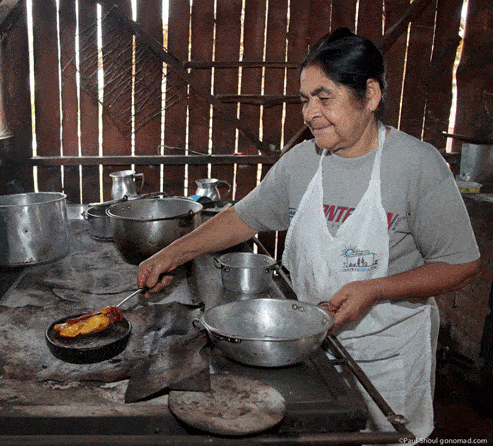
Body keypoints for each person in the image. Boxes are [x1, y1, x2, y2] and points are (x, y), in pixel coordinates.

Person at [137, 27, 481, 441]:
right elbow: (243, 218)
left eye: (324, 97)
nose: (309, 113)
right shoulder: (302, 163)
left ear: (369, 96)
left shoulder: (416, 166)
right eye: (304, 99)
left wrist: (377, 288)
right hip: (309, 351)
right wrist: (172, 254)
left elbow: (461, 265)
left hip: (386, 356)